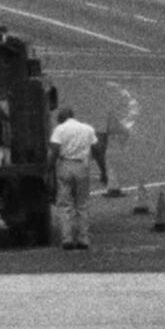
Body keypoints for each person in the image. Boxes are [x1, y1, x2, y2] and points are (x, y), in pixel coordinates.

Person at [49, 107, 104, 251]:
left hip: (65, 164)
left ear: (61, 118)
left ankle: (67, 239)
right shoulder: (87, 129)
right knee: (82, 204)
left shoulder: (60, 129)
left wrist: (48, 169)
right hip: (82, 166)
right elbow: (98, 150)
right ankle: (83, 238)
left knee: (65, 205)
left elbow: (54, 150)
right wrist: (103, 171)